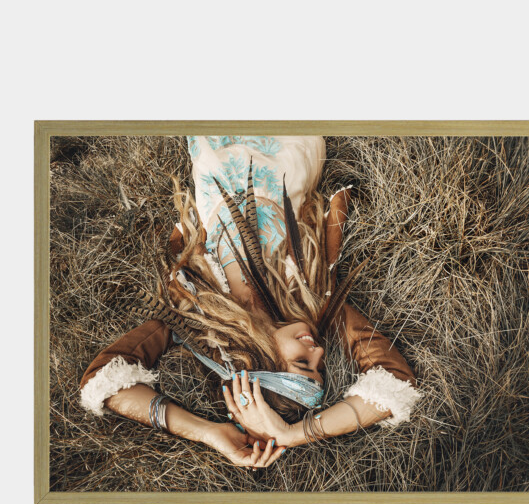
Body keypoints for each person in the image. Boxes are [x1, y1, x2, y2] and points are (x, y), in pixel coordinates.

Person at [79, 135, 421, 470]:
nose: (317, 350)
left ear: (257, 363)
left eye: (303, 363)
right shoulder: (313, 301)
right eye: (320, 366)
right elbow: (396, 381)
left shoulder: (198, 312)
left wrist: (208, 432)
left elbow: (102, 381)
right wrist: (297, 434)